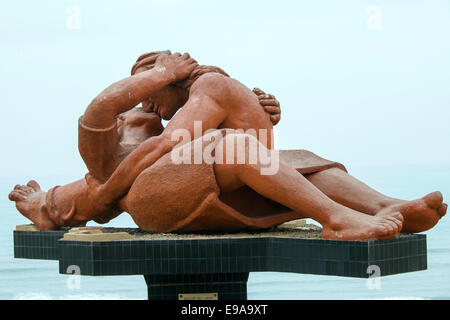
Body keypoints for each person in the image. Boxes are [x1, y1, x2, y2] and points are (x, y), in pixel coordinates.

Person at [9, 51, 447, 241]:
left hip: (194, 190)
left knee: (303, 160)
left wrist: (252, 114)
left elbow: (182, 143)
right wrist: (160, 75)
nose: (147, 104)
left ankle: (385, 205)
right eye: (141, 93)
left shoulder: (195, 103)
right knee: (233, 144)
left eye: (154, 93)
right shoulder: (118, 125)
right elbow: (103, 112)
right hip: (158, 200)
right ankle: (336, 219)